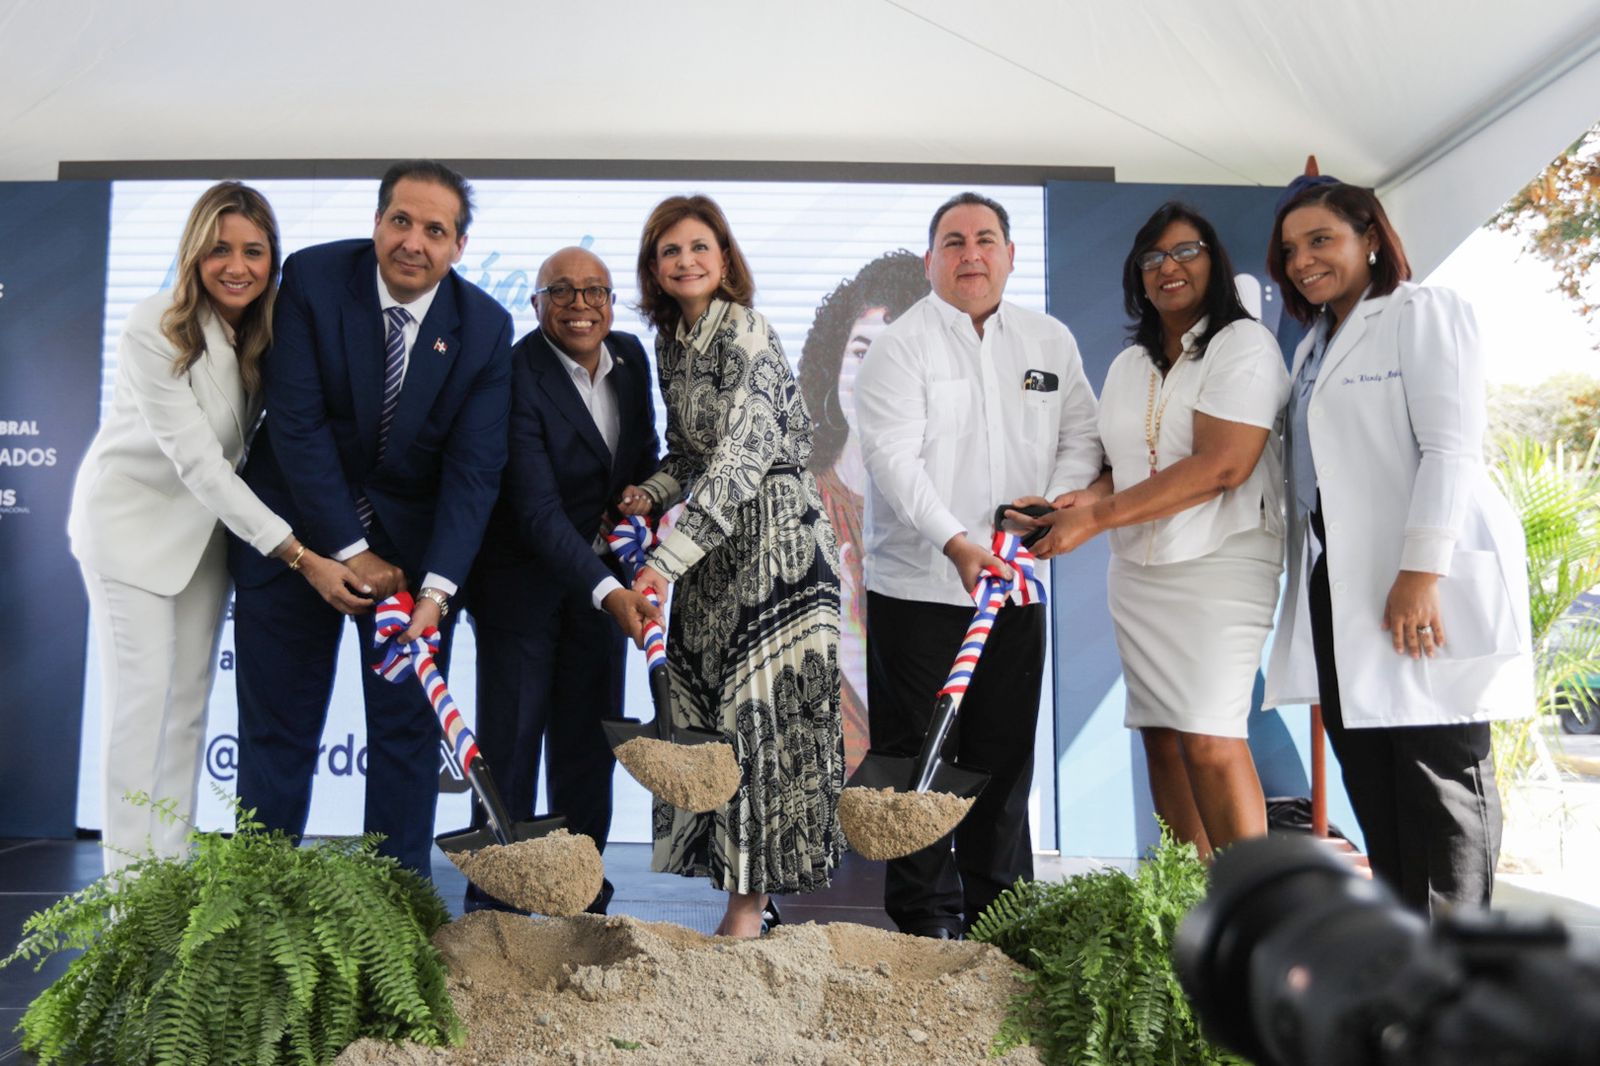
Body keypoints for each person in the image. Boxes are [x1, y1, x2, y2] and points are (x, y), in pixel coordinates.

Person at [68, 182, 369, 874]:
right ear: (194, 254)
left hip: (206, 538)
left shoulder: (262, 334)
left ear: (273, 259)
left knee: (185, 711)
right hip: (132, 529)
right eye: (220, 249)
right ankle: (125, 898)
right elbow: (203, 467)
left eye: (254, 251)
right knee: (139, 709)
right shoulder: (155, 325)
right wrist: (302, 556)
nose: (237, 265)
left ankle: (166, 880)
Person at [229, 160, 515, 876]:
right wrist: (348, 548)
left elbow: (474, 471)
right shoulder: (316, 281)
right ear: (377, 222)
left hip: (412, 562)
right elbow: (296, 425)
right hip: (295, 534)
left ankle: (397, 920)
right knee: (279, 736)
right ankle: (255, 915)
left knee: (404, 738)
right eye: (400, 221)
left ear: (459, 245)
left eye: (435, 229)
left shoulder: (484, 327)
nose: (413, 241)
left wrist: (438, 590)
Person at [1263, 180, 1534, 913]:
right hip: (1341, 585)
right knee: (1374, 781)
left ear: (1371, 238)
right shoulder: (1313, 348)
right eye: (1290, 249)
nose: (1303, 260)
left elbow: (1452, 449)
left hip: (1418, 578)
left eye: (1322, 239)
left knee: (1439, 778)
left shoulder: (1422, 312)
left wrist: (1420, 570)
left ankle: (1457, 964)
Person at [853, 192, 1102, 937]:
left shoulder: (1049, 341)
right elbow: (891, 460)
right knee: (915, 766)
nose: (972, 253)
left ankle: (1003, 924)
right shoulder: (901, 346)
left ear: (1010, 255)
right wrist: (957, 541)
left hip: (1016, 590)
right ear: (930, 260)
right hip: (920, 591)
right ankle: (924, 926)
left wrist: (1057, 505)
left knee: (1000, 763)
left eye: (986, 239)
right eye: (953, 241)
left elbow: (1081, 438)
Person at [1013, 202, 1289, 859]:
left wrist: (1095, 519)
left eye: (1186, 251)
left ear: (1214, 262)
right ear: (1138, 278)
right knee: (1162, 737)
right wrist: (1078, 500)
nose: (1169, 267)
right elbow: (1124, 465)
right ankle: (1184, 908)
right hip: (1137, 573)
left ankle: (1247, 915)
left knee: (1210, 737)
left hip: (1221, 565)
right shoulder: (1130, 365)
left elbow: (1222, 466)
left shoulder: (1243, 345)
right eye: (1152, 258)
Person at [619, 194, 843, 938]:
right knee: (707, 717)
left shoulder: (745, 331)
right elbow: (691, 455)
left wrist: (661, 563)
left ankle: (747, 909)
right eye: (669, 250)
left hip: (775, 540)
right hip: (716, 551)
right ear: (655, 268)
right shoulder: (671, 343)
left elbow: (745, 457)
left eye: (699, 247)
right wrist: (648, 491)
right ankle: (747, 898)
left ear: (725, 259)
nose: (685, 260)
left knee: (757, 721)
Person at [465, 246, 661, 914]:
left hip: (601, 588)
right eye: (563, 292)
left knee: (586, 750)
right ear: (537, 304)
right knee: (512, 748)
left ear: (612, 301)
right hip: (521, 585)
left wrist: (646, 497)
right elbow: (536, 510)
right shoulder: (515, 372)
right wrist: (610, 591)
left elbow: (644, 457)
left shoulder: (631, 359)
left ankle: (582, 898)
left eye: (595, 291)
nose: (581, 305)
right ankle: (494, 907)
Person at [796, 251, 930, 771]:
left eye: (894, 355)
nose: (872, 374)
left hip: (904, 785)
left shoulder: (940, 511)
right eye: (860, 352)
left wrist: (851, 628)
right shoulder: (796, 498)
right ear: (834, 364)